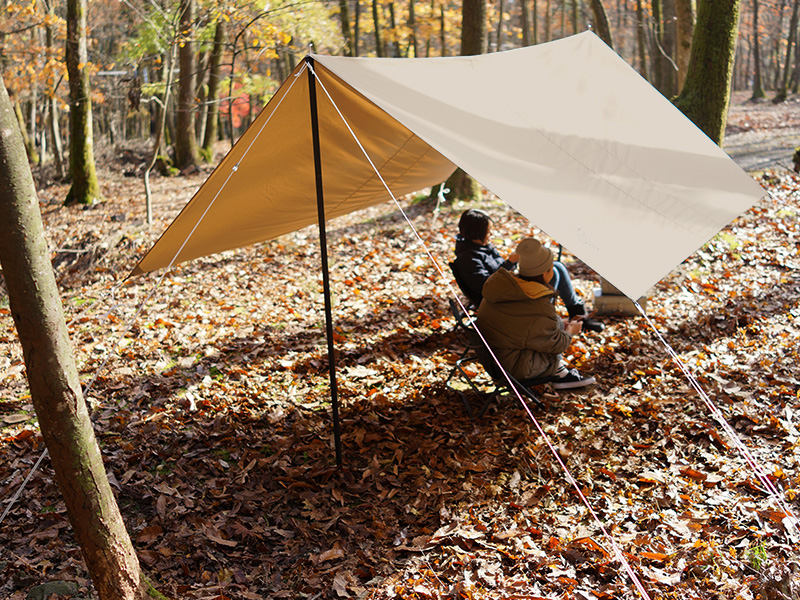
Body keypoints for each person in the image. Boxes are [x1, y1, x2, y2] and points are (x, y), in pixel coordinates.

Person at [452, 208, 604, 332]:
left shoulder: (483, 247)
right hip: (500, 298)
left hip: (509, 285)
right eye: (488, 231)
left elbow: (498, 271)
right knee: (552, 273)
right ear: (477, 232)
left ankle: (578, 315)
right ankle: (546, 321)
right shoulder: (468, 257)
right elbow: (486, 286)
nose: (491, 234)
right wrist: (510, 263)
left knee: (556, 266)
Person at [476, 237, 596, 390]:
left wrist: (560, 323)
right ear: (546, 272)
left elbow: (528, 326)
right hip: (514, 368)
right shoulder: (536, 303)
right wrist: (571, 331)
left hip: (495, 358)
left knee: (553, 328)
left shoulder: (504, 288)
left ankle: (561, 372)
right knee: (552, 340)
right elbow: (557, 345)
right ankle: (561, 375)